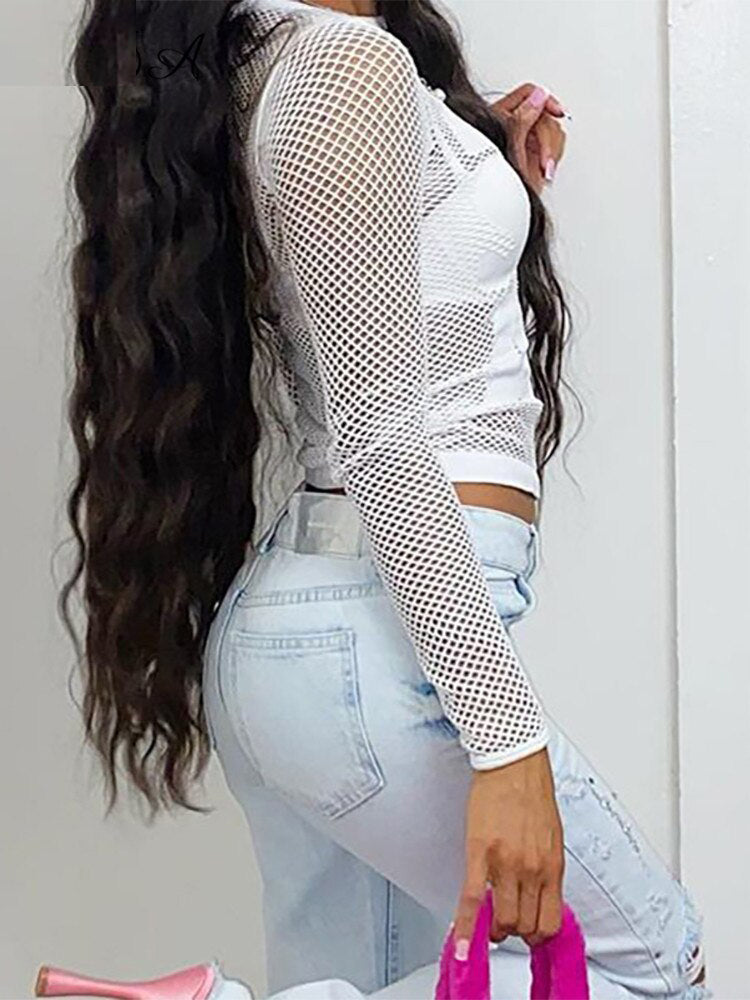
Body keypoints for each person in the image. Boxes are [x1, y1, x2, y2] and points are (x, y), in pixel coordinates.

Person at [62, 0, 708, 997]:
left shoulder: (276, 63)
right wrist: (508, 744)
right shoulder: (341, 70)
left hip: (319, 642)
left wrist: (472, 158)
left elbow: (379, 284)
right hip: (372, 644)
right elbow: (380, 434)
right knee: (660, 964)